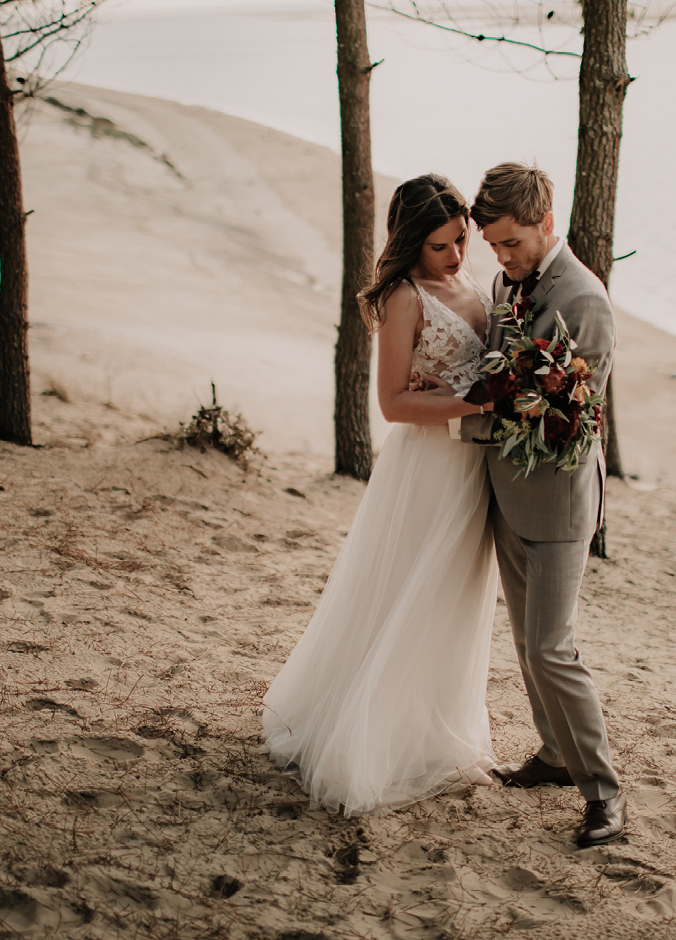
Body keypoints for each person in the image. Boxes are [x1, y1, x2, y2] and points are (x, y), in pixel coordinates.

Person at [262, 175, 499, 815]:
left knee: (455, 598)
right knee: (410, 591)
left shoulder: (475, 285)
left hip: (473, 470)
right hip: (429, 467)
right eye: (440, 247)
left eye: (460, 241)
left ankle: (429, 735)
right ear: (411, 245)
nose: (455, 257)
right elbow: (393, 404)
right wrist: (468, 400)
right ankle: (373, 739)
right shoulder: (403, 297)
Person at [458, 162, 626, 848]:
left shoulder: (584, 300)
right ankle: (555, 755)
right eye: (493, 246)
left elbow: (572, 416)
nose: (501, 258)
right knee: (528, 648)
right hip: (507, 494)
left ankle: (605, 794)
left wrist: (485, 406)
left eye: (511, 244)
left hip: (556, 502)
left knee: (554, 650)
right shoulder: (505, 283)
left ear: (545, 225)